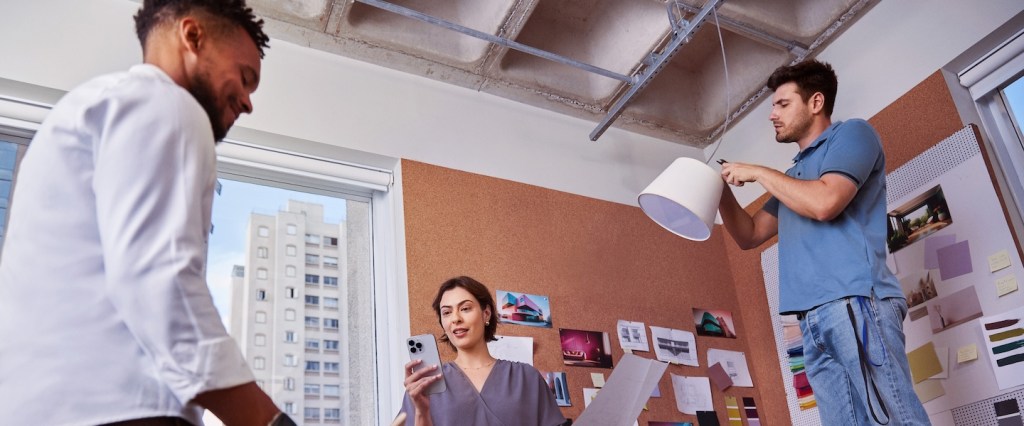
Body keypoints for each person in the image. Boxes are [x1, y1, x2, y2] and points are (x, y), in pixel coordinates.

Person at [0, 1, 293, 425]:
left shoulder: (85, 110)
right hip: (119, 412)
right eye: (245, 77)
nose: (248, 102)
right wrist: (268, 422)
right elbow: (163, 283)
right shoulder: (167, 105)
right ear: (192, 37)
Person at [717, 59, 929, 425]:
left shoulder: (853, 135)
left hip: (854, 302)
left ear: (816, 103)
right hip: (811, 319)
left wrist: (756, 171)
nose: (772, 115)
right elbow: (749, 234)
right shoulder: (794, 177)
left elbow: (825, 203)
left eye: (782, 104)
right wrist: (717, 190)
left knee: (895, 419)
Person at [399, 276, 567, 426]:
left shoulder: (526, 377)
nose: (455, 319)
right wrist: (421, 412)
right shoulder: (426, 383)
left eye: (465, 308)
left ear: (486, 314)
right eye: (447, 312)